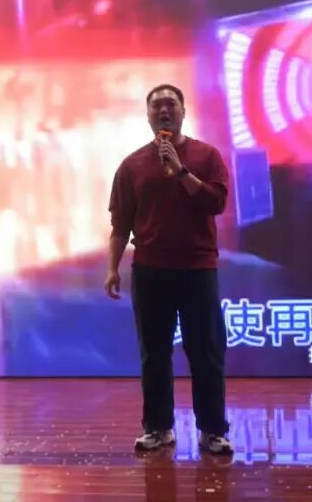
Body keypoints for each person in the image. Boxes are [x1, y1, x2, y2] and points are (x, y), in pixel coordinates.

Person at [104, 84, 234, 455]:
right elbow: (121, 224)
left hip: (197, 269)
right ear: (148, 115)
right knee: (155, 353)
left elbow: (216, 202)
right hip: (150, 271)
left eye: (171, 104)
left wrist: (181, 172)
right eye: (157, 106)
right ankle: (159, 428)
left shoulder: (206, 156)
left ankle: (212, 430)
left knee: (205, 351)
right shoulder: (131, 165)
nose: (164, 111)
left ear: (183, 111)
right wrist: (112, 269)